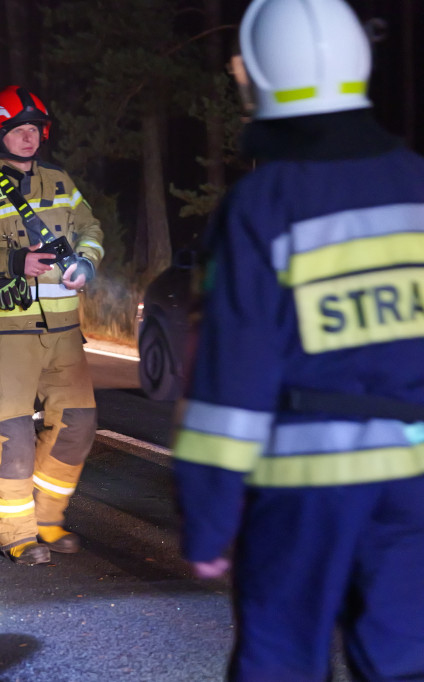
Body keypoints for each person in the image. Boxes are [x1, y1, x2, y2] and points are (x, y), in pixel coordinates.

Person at [173, 0, 424, 679]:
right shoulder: (416, 183)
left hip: (303, 491)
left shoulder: (263, 205)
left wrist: (208, 520)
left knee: (281, 662)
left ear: (257, 80)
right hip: (413, 484)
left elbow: (231, 384)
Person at [0, 86, 105, 565]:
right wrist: (12, 261)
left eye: (35, 129)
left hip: (65, 334)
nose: (29, 137)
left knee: (78, 425)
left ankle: (48, 518)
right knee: (13, 436)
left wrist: (86, 262)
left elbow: (91, 228)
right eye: (18, 129)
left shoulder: (60, 181)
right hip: (8, 336)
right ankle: (17, 534)